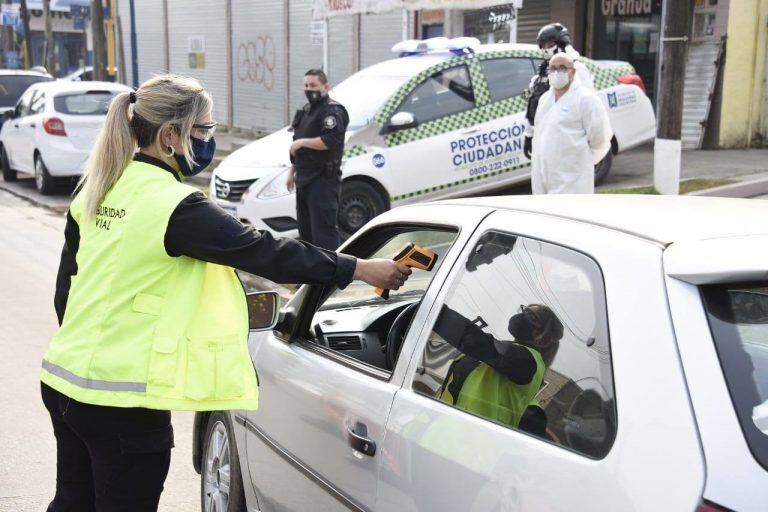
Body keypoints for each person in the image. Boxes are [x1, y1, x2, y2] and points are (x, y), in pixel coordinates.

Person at [40, 74, 410, 512]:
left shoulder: (98, 187)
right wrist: (361, 267)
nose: (209, 140)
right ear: (171, 135)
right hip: (121, 403)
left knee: (71, 503)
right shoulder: (175, 207)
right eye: (204, 130)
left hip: (63, 380)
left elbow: (66, 292)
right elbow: (268, 253)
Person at [434, 303, 564, 433]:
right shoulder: (503, 354)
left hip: (467, 444)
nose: (523, 316)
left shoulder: (527, 361)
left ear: (544, 339)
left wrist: (436, 312)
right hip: (441, 434)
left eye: (531, 317)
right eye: (525, 311)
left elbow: (475, 341)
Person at [530, 53, 612, 194]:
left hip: (573, 180)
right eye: (553, 68)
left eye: (562, 68)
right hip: (543, 177)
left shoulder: (586, 99)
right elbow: (539, 134)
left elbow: (601, 139)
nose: (557, 72)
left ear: (573, 72)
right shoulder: (544, 100)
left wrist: (581, 163)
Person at [286, 68, 349, 250]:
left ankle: (331, 275)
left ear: (325, 86)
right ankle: (312, 275)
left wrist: (301, 143)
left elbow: (331, 140)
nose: (309, 89)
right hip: (304, 179)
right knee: (306, 233)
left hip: (323, 180)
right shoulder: (306, 111)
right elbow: (296, 143)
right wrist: (292, 172)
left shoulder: (333, 111)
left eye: (313, 85)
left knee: (324, 234)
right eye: (306, 85)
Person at [523, 22, 594, 160]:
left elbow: (589, 105)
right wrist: (529, 135)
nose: (546, 49)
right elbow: (533, 108)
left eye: (550, 45)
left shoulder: (576, 70)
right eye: (543, 46)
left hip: (570, 144)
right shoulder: (539, 77)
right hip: (544, 144)